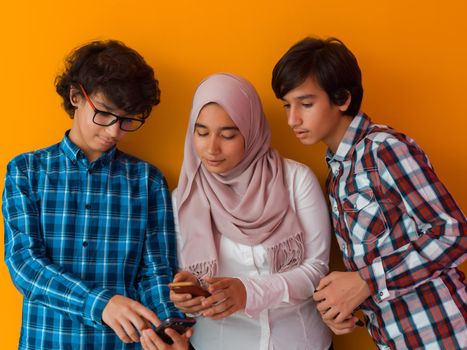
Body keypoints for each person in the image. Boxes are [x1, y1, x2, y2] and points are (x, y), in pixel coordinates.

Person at [271, 37, 467, 349]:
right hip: (393, 339)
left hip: (442, 334)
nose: (293, 119)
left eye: (305, 104)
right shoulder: (337, 173)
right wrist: (347, 304)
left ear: (342, 99)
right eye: (287, 105)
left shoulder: (383, 150)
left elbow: (454, 234)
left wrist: (366, 282)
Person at [2, 40, 190, 349]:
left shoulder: (148, 181)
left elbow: (155, 272)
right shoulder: (26, 171)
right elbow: (25, 265)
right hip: (47, 341)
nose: (115, 131)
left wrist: (170, 325)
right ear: (76, 97)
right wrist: (101, 304)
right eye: (105, 114)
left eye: (128, 119)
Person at [143, 72, 332, 350]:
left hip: (300, 341)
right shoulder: (183, 199)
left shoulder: (295, 180)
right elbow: (192, 278)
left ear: (251, 130)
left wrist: (249, 293)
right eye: (202, 132)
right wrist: (189, 298)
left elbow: (316, 271)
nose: (211, 148)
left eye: (228, 134)